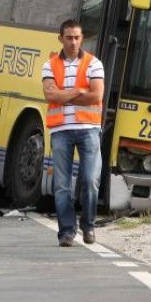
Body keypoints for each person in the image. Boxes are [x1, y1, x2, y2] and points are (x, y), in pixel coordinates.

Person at [42, 19, 105, 247]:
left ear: (82, 39)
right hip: (61, 131)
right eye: (69, 37)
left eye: (77, 37)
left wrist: (64, 93)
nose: (73, 42)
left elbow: (96, 96)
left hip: (88, 130)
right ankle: (67, 232)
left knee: (90, 180)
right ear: (61, 39)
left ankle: (88, 226)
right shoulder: (49, 65)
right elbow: (51, 96)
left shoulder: (94, 64)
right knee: (61, 185)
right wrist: (79, 90)